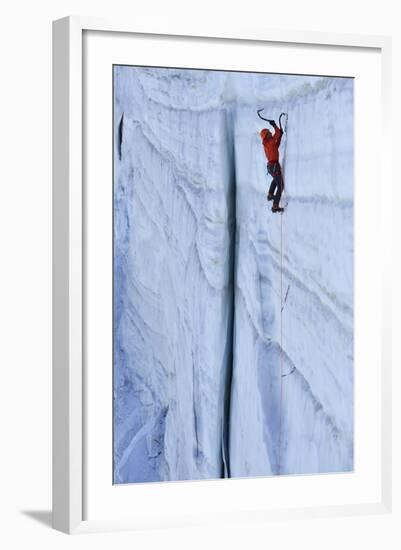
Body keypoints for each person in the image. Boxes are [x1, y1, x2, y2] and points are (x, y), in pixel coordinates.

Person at [260, 116, 284, 213]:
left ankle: (270, 194)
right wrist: (274, 125)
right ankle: (275, 206)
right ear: (266, 135)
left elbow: (276, 145)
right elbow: (276, 134)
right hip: (274, 166)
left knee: (276, 180)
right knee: (281, 186)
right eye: (269, 132)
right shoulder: (269, 142)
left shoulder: (268, 143)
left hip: (271, 167)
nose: (271, 133)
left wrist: (280, 136)